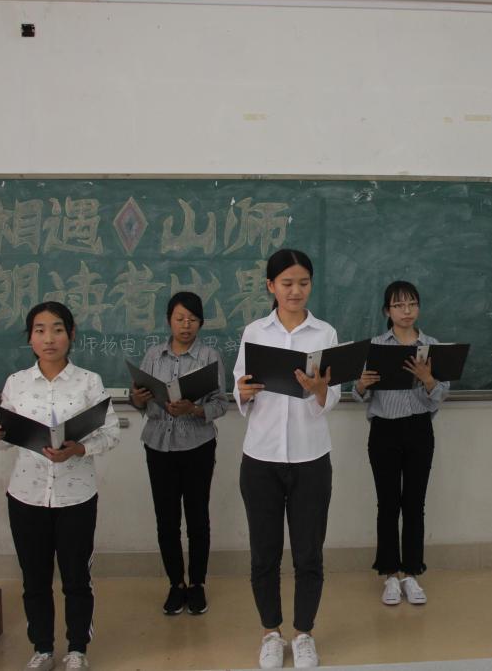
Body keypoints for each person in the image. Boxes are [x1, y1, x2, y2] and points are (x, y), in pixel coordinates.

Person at [0, 302, 120, 671]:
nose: (49, 338)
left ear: (71, 335)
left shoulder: (89, 382)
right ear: (30, 338)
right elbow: (6, 439)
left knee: (77, 579)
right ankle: (42, 648)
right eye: (40, 330)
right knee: (34, 580)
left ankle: (77, 649)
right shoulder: (16, 383)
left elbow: (110, 433)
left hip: (76, 496)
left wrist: (78, 449)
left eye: (58, 329)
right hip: (26, 495)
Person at [233, 249, 339, 669]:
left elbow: (334, 396)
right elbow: (239, 387)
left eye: (304, 283)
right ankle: (271, 633)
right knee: (264, 553)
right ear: (270, 286)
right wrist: (242, 392)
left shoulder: (325, 333)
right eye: (287, 283)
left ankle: (304, 633)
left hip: (312, 458)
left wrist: (319, 390)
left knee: (309, 553)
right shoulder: (254, 332)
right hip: (261, 458)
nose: (296, 291)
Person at [130, 291, 228, 616]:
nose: (186, 325)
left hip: (198, 445)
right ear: (169, 321)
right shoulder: (153, 355)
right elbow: (138, 399)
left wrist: (194, 409)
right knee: (166, 520)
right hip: (158, 445)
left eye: (192, 319)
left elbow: (220, 403)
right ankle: (176, 584)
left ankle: (197, 584)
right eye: (179, 319)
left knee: (198, 518)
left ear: (201, 322)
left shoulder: (209, 356)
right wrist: (138, 399)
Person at [352, 281, 448, 606]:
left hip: (419, 429)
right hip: (384, 431)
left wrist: (428, 379)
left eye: (412, 304)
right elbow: (358, 395)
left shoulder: (431, 346)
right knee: (388, 504)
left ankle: (412, 573)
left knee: (415, 504)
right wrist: (361, 385)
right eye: (399, 305)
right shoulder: (375, 347)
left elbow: (441, 394)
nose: (406, 311)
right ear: (387, 311)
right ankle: (390, 574)